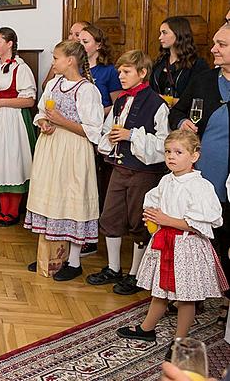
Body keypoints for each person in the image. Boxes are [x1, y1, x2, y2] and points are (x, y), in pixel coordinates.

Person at [116, 130, 227, 362]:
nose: (171, 156)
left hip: (187, 247)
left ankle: (180, 342)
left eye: (178, 152)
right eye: (168, 151)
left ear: (194, 156)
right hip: (165, 244)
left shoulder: (200, 186)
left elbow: (206, 222)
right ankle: (147, 329)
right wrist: (152, 217)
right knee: (160, 290)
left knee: (186, 298)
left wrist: (168, 221)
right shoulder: (166, 180)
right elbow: (154, 202)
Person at [87, 50, 169, 295]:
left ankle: (135, 273)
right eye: (119, 71)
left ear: (142, 73)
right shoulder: (120, 101)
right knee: (110, 216)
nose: (120, 76)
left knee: (138, 221)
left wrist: (131, 135)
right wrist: (110, 138)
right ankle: (113, 268)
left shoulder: (157, 104)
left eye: (126, 72)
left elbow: (163, 144)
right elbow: (106, 129)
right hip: (119, 168)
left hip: (143, 172)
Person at [24, 41, 104, 281]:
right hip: (51, 147)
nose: (53, 62)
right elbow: (40, 111)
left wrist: (60, 120)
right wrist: (44, 122)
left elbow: (93, 130)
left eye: (56, 58)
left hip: (73, 150)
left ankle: (75, 261)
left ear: (70, 60)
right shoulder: (54, 84)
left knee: (72, 200)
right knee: (52, 198)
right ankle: (50, 255)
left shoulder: (87, 90)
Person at [170, 23, 230, 319]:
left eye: (222, 45)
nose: (214, 49)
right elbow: (177, 111)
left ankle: (227, 302)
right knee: (206, 238)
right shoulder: (204, 80)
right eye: (215, 43)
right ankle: (196, 293)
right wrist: (182, 123)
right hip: (204, 174)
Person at [0, 27, 37, 226]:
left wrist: (0, 103)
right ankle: (3, 210)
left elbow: (29, 100)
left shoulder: (20, 68)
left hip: (12, 120)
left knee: (12, 163)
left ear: (9, 44)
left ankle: (12, 212)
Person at [77, 23, 122, 257]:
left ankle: (93, 236)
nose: (81, 46)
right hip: (76, 130)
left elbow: (117, 103)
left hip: (98, 129)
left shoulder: (108, 71)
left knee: (94, 184)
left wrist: (97, 113)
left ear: (98, 45)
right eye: (79, 41)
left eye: (85, 42)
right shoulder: (76, 69)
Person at [151, 16, 209, 105]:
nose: (160, 37)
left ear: (178, 34)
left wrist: (168, 100)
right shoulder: (160, 62)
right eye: (160, 33)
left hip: (181, 116)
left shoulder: (197, 64)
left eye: (164, 33)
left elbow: (198, 99)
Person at [42, 20, 90, 87]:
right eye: (70, 34)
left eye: (77, 35)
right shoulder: (60, 58)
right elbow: (45, 85)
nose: (71, 38)